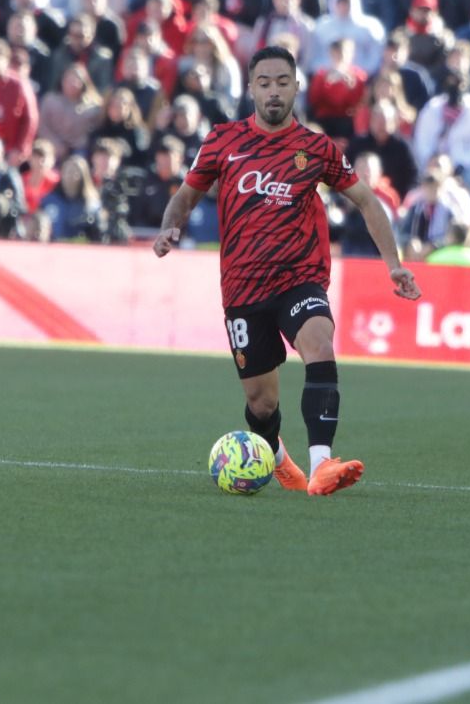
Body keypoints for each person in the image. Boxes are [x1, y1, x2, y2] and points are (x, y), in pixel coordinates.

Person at [153, 45, 421, 497]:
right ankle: (277, 458)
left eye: (282, 82)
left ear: (296, 87)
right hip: (241, 287)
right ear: (251, 89)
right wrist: (168, 228)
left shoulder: (317, 149)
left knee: (318, 341)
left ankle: (322, 466)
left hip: (300, 277)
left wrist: (393, 266)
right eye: (264, 83)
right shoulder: (223, 141)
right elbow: (186, 195)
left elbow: (367, 201)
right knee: (261, 402)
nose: (273, 91)